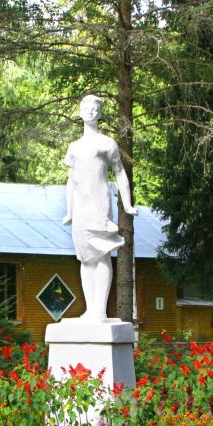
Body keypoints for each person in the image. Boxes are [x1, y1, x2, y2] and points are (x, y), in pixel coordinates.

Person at [62, 94, 137, 321]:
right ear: (80, 112)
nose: (91, 111)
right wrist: (69, 211)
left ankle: (100, 310)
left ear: (100, 113)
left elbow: (120, 173)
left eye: (95, 108)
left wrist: (127, 204)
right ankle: (90, 308)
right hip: (81, 206)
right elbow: (71, 180)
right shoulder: (74, 147)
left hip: (100, 203)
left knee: (102, 254)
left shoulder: (106, 143)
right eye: (86, 107)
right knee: (86, 257)